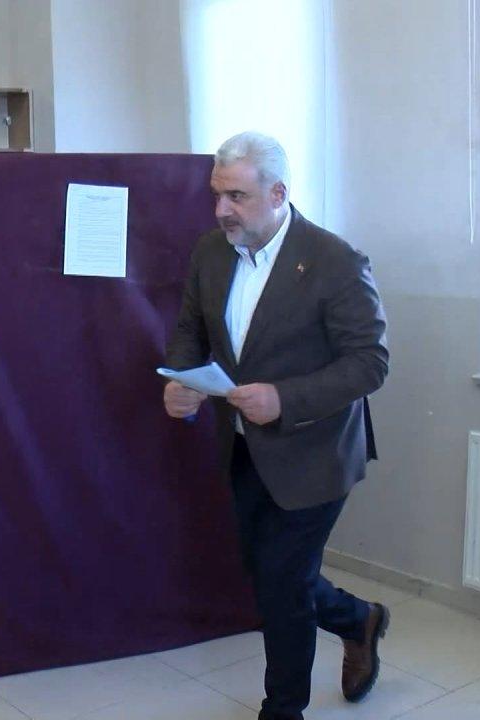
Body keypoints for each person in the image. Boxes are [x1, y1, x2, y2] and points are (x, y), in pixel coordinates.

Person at [163, 131, 390, 720]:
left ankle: (283, 709)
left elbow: (369, 363)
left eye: (236, 197)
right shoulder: (211, 252)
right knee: (267, 572)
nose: (221, 210)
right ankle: (358, 619)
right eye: (217, 195)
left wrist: (284, 398)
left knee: (282, 581)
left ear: (278, 193)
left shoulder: (335, 261)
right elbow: (191, 329)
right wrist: (181, 380)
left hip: (316, 449)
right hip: (244, 446)